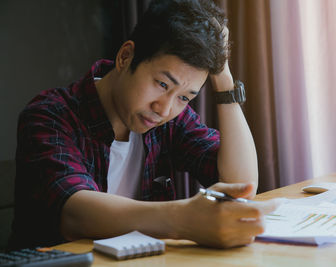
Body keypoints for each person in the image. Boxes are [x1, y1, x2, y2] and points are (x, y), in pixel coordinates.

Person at [9, 0, 282, 250]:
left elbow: (241, 185)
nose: (164, 108)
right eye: (162, 84)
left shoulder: (169, 119)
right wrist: (184, 219)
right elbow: (74, 213)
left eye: (185, 97)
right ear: (126, 57)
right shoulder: (49, 115)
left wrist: (223, 77)